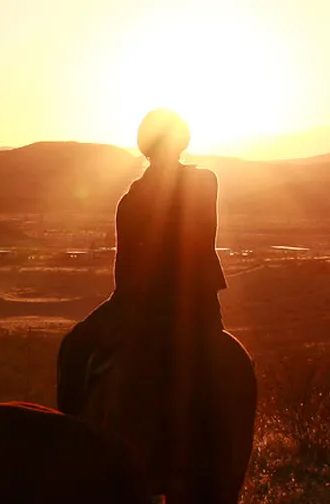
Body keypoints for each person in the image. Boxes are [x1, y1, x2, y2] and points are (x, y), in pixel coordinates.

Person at [57, 108, 227, 419]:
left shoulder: (133, 200)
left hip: (153, 303)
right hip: (197, 302)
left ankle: (73, 440)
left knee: (75, 348)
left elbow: (126, 267)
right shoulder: (204, 182)